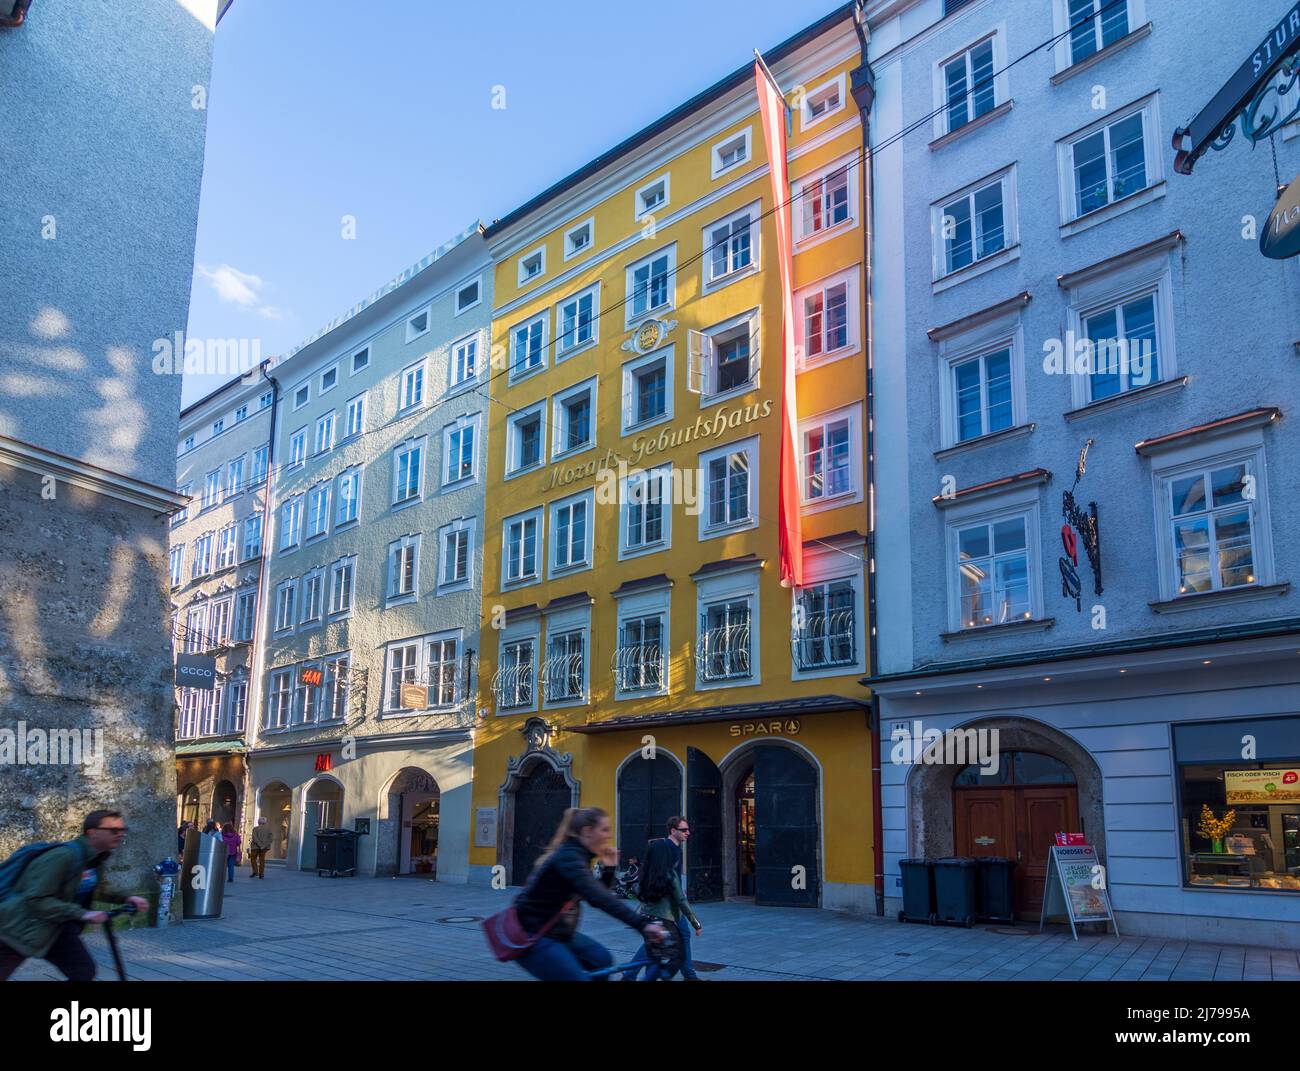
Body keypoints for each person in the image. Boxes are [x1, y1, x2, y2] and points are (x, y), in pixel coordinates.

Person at [511, 807, 667, 981]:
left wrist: (608, 869)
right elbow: (599, 898)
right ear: (588, 831)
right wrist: (643, 925)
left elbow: (592, 895)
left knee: (602, 960)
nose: (608, 836)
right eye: (604, 829)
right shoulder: (569, 857)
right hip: (532, 935)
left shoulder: (579, 856)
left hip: (556, 931)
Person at [0, 810, 149, 981]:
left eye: (123, 830)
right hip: (17, 927)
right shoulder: (62, 856)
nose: (120, 835)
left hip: (56, 926)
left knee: (83, 971)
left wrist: (127, 898)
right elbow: (37, 898)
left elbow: (94, 889)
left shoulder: (94, 858)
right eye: (114, 831)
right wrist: (83, 913)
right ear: (92, 832)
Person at [624, 816, 704, 981]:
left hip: (665, 903)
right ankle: (632, 975)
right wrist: (695, 921)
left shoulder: (675, 848)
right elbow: (662, 876)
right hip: (665, 906)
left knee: (679, 936)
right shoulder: (665, 847)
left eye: (688, 829)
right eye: (684, 830)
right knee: (658, 942)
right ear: (673, 830)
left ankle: (689, 975)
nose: (688, 833)